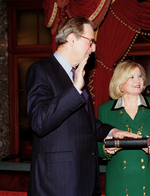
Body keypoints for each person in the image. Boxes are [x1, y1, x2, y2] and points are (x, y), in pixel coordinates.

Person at [25, 17, 140, 196]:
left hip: (85, 179)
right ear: (72, 39)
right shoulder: (41, 70)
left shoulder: (76, 74)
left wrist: (112, 132)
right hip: (58, 183)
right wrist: (74, 90)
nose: (94, 48)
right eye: (90, 41)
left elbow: (83, 122)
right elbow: (39, 122)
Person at [97, 60, 150, 196]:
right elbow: (96, 147)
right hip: (119, 183)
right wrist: (106, 150)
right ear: (120, 82)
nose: (138, 80)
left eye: (140, 76)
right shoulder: (105, 110)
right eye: (131, 77)